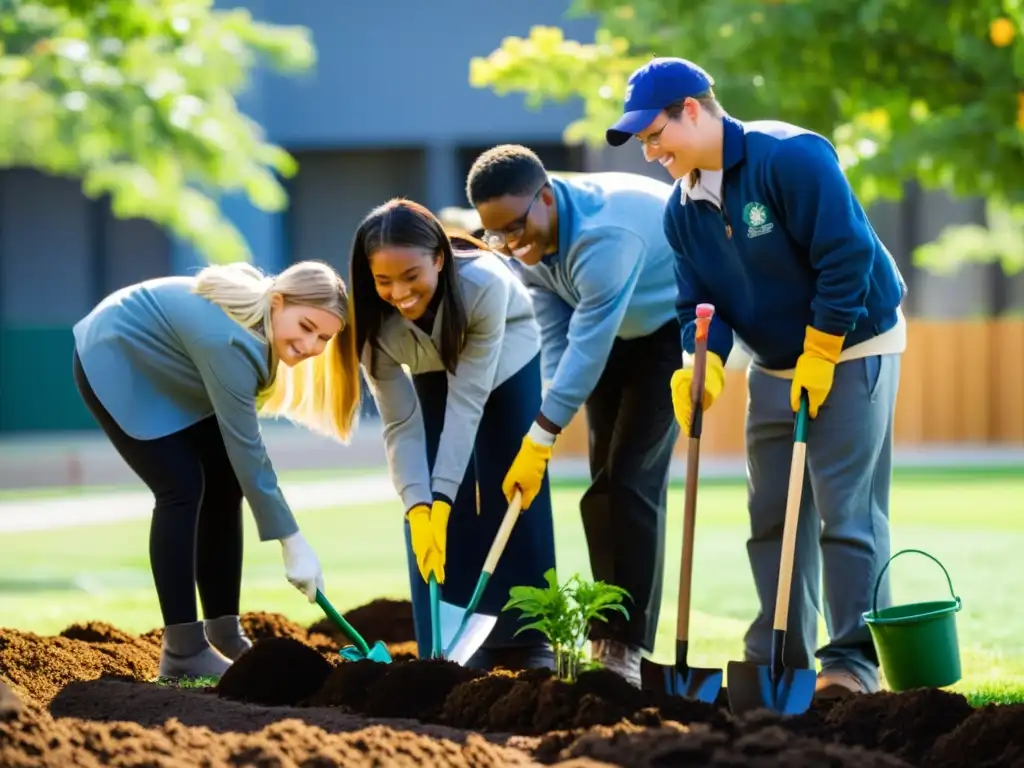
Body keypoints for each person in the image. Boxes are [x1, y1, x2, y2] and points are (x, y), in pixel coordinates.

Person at [605, 57, 908, 699]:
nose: (649, 150)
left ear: (692, 108)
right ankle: (780, 659)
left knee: (844, 512)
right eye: (641, 142)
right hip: (773, 363)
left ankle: (850, 665)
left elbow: (847, 254)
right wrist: (703, 365)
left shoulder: (789, 157)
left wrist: (822, 351)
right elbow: (696, 306)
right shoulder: (680, 211)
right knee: (772, 515)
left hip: (854, 345)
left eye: (655, 134)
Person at [72, 260, 362, 679]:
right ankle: (183, 653)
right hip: (115, 355)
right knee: (181, 487)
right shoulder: (229, 343)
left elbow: (240, 463)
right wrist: (291, 540)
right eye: (306, 326)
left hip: (170, 366)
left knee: (225, 484)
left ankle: (224, 634)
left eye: (324, 337)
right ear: (277, 302)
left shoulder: (261, 324)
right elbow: (248, 449)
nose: (311, 344)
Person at [464, 145, 681, 687]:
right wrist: (547, 417)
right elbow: (558, 337)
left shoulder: (604, 237)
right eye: (498, 235)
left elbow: (588, 345)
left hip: (672, 332)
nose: (511, 244)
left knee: (630, 481)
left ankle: (621, 646)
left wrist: (541, 434)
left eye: (516, 227)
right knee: (602, 486)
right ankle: (606, 632)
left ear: (545, 196)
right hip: (611, 332)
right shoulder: (527, 248)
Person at [349, 197, 558, 670]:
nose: (399, 293)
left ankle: (529, 638)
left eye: (411, 277)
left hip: (507, 355)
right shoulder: (369, 320)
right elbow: (401, 425)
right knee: (429, 496)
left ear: (438, 260)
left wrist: (438, 497)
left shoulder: (482, 284)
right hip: (428, 360)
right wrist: (421, 507)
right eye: (384, 281)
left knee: (510, 475)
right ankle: (446, 645)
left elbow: (467, 402)